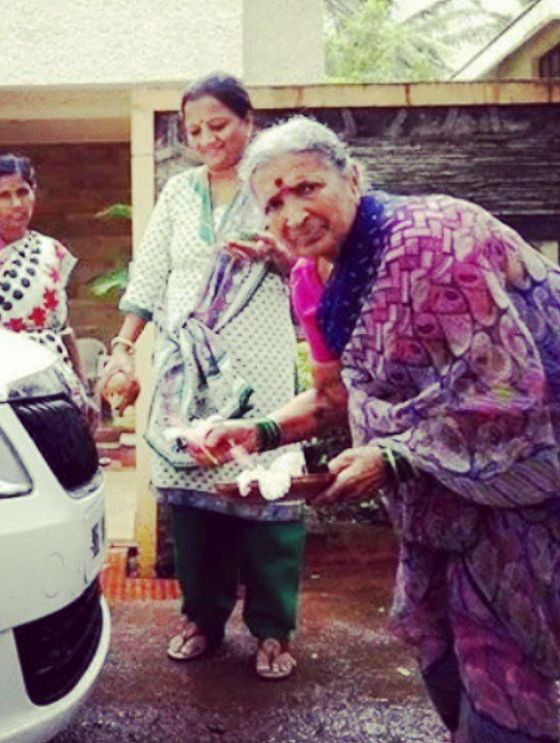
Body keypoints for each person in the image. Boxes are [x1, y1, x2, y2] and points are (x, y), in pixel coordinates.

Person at [194, 116, 560, 741]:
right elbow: (336, 395)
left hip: (518, 485)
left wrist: (390, 458)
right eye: (274, 202)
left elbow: (507, 390)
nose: (294, 213)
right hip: (434, 497)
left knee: (499, 663)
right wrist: (258, 432)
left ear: (354, 177)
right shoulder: (312, 278)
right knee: (435, 642)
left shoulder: (439, 240)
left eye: (308, 187)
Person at [98, 74, 306, 680]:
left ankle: (272, 629)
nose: (207, 138)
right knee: (194, 503)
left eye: (219, 124)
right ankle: (203, 619)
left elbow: (313, 267)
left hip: (262, 369)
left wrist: (277, 256)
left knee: (268, 492)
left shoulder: (273, 186)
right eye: (195, 130)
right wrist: (122, 349)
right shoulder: (179, 194)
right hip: (187, 377)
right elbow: (150, 276)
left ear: (248, 121)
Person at [0, 153, 92, 419]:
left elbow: (62, 327)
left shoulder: (52, 251)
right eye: (4, 196)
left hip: (52, 378)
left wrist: (83, 388)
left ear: (33, 193)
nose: (17, 204)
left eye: (23, 192)